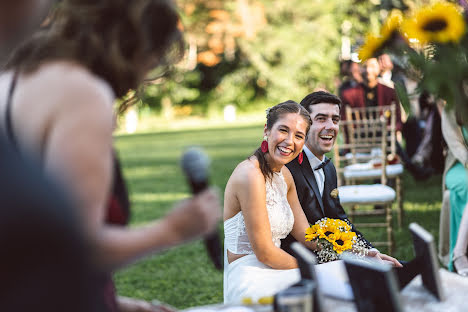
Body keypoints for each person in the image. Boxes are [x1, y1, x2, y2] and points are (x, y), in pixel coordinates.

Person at [0, 1, 221, 311]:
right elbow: (71, 249)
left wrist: (118, 305)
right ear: (137, 45)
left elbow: (23, 250)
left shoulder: (14, 77)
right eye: (155, 59)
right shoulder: (82, 94)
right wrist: (172, 230)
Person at [284, 91, 402, 267]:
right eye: (321, 119)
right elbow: (299, 237)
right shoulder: (288, 168)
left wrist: (372, 252)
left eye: (335, 119)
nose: (331, 126)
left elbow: (340, 220)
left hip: (332, 255)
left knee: (404, 269)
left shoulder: (329, 168)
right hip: (301, 262)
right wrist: (358, 256)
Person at [223, 100, 317, 304]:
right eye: (283, 130)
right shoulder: (250, 175)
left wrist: (355, 251)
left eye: (299, 136)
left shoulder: (284, 175)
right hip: (251, 273)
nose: (290, 141)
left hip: (277, 267)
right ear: (267, 130)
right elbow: (264, 252)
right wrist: (312, 270)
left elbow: (307, 235)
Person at [439, 107, 468, 275]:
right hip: (459, 165)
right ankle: (459, 253)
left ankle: (459, 252)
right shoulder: (451, 109)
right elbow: (457, 147)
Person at [341, 57, 403, 132]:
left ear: (379, 67)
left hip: (386, 138)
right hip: (359, 139)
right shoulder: (349, 95)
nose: (368, 70)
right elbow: (344, 121)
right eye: (364, 66)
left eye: (372, 66)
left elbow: (398, 120)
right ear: (359, 69)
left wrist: (391, 129)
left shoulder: (389, 92)